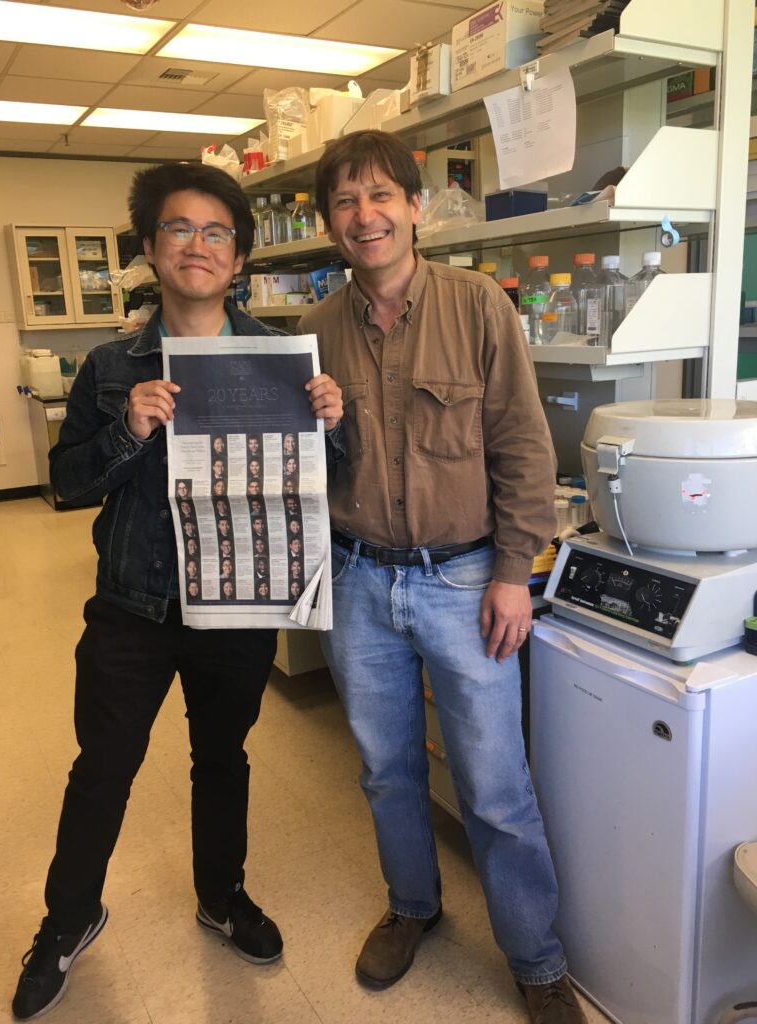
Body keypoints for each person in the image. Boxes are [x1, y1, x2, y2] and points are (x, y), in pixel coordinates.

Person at [12, 160, 342, 1023]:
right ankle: (66, 918)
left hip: (235, 603)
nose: (198, 246)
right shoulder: (108, 367)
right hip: (130, 604)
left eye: (217, 232)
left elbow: (314, 484)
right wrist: (127, 428)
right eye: (178, 230)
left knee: (223, 759)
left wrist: (332, 426)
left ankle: (221, 894)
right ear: (151, 251)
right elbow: (68, 483)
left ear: (239, 259)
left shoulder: (279, 359)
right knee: (103, 767)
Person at [298, 131, 584, 1024]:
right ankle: (414, 906)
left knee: (495, 787)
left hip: (464, 581)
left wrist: (511, 573)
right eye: (346, 203)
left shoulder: (478, 307)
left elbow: (524, 449)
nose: (365, 216)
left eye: (381, 196)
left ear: (417, 207)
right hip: (356, 579)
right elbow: (302, 466)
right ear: (329, 223)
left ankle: (537, 960)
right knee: (386, 771)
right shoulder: (313, 330)